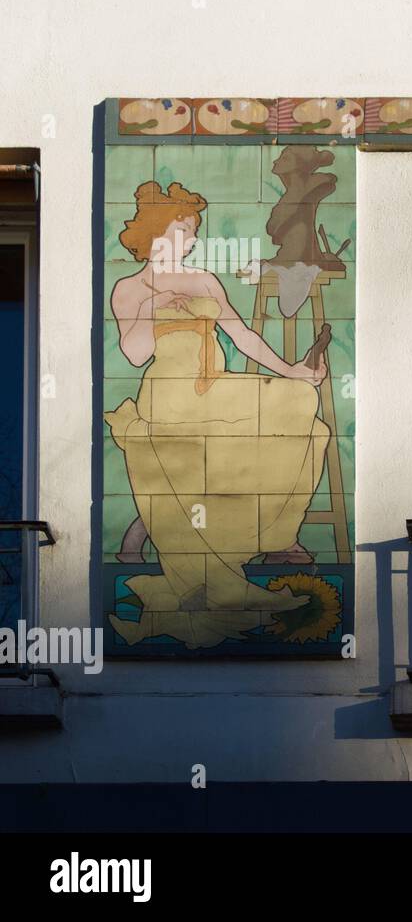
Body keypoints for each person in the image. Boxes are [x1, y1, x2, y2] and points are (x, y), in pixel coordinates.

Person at [106, 181, 330, 648]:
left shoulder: (204, 280)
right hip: (169, 392)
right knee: (199, 452)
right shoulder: (128, 289)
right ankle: (255, 540)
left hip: (216, 386)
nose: (190, 239)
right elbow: (133, 353)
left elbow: (241, 335)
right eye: (182, 230)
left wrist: (291, 370)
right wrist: (152, 305)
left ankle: (276, 533)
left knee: (305, 411)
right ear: (155, 233)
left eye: (192, 231)